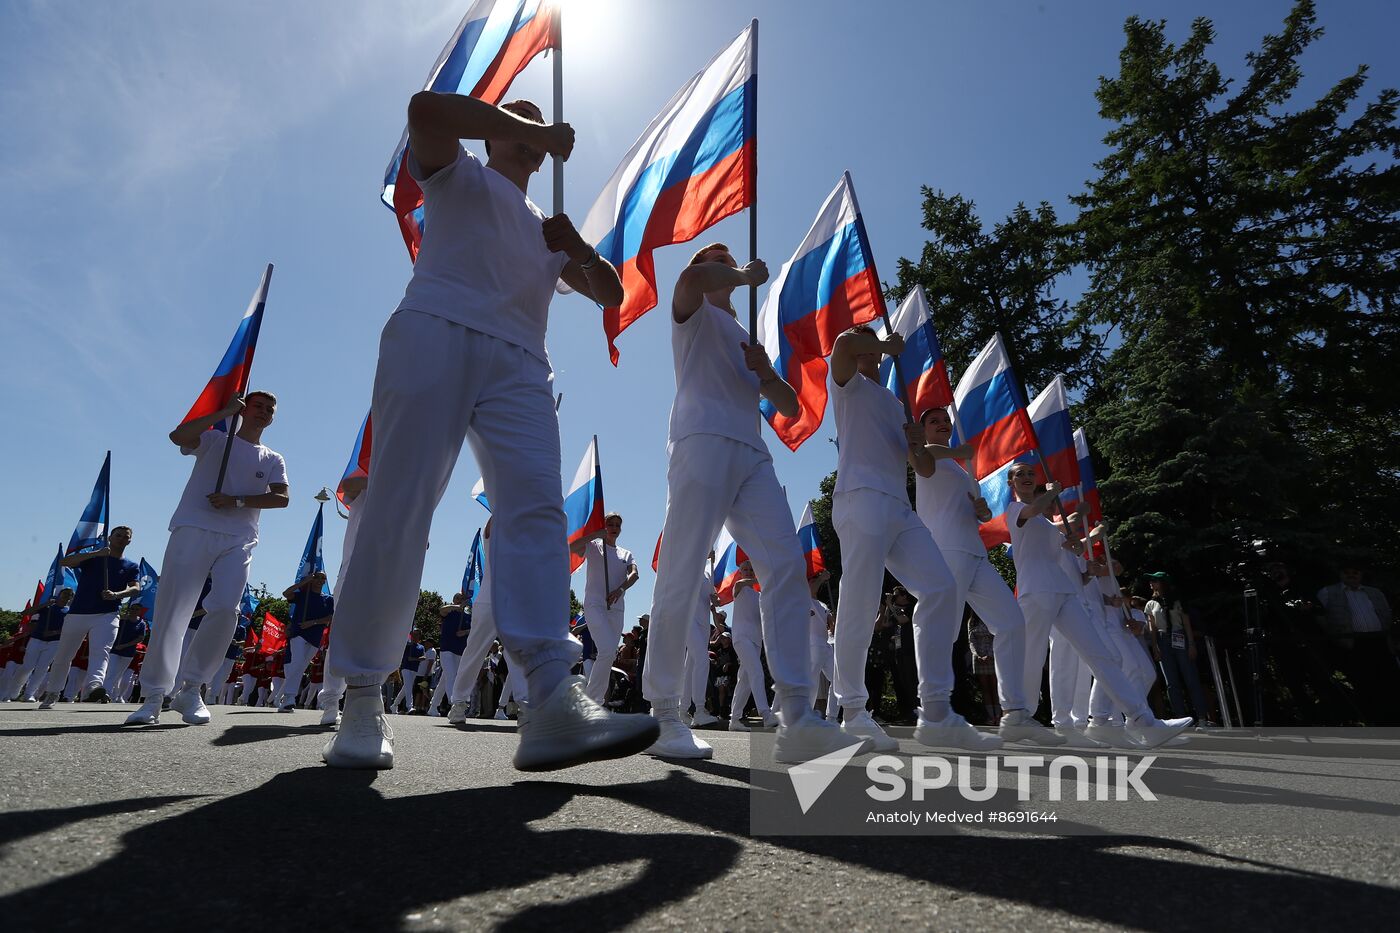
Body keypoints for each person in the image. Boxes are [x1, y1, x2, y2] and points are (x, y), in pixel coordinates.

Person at [322, 89, 656, 772]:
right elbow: (424, 111)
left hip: (522, 359)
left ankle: (550, 697)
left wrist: (578, 247)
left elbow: (612, 292)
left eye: (537, 121)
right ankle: (361, 696)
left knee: (536, 511)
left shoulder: (545, 223)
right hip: (435, 328)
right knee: (400, 504)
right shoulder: (458, 173)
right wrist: (535, 128)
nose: (529, 128)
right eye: (518, 119)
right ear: (493, 134)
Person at [645, 242, 855, 763]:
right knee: (681, 567)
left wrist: (766, 373)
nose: (723, 261)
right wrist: (739, 274)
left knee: (785, 565)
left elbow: (787, 406)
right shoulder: (692, 315)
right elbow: (689, 282)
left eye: (727, 257)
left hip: (753, 455)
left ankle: (797, 715)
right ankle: (664, 712)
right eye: (713, 258)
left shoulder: (744, 335)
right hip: (702, 441)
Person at [125, 392, 289, 725]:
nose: (263, 412)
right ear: (244, 408)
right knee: (174, 608)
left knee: (227, 608)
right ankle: (154, 696)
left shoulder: (273, 458)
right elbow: (178, 437)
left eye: (269, 409)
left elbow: (282, 497)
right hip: (194, 527)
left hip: (240, 537)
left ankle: (191, 688)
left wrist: (236, 500)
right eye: (257, 405)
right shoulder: (215, 440)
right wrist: (224, 411)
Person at [1003, 462, 1191, 748]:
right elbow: (1034, 510)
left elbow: (1072, 545)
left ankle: (1143, 720)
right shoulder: (1015, 510)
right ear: (1011, 484)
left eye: (1030, 473)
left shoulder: (1047, 524)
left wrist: (1078, 544)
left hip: (1064, 592)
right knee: (1032, 656)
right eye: (1020, 474)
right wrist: (1053, 495)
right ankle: (1020, 716)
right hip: (1036, 591)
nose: (1027, 477)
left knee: (1100, 654)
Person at [915, 407, 1063, 745]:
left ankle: (1015, 714)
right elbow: (924, 456)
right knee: (942, 628)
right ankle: (933, 712)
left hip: (975, 553)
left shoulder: (962, 469)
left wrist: (980, 511)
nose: (943, 424)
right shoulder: (927, 456)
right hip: (946, 550)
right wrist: (959, 451)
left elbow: (974, 512)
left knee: (1011, 622)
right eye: (934, 421)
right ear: (923, 431)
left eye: (945, 420)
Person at [38, 526, 141, 707]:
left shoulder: (131, 566)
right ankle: (53, 691)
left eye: (125, 537)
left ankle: (94, 686)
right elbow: (65, 562)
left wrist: (117, 595)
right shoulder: (93, 558)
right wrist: (96, 553)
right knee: (64, 655)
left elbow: (136, 588)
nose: (121, 539)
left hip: (108, 614)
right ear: (110, 537)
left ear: (129, 541)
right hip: (78, 613)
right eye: (118, 535)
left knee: (101, 651)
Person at [1315, 565, 1396, 722]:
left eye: (1355, 572)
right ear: (1340, 574)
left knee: (1389, 680)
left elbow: (1386, 613)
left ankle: (1393, 718)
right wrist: (1336, 637)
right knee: (1364, 683)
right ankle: (1373, 720)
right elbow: (1320, 617)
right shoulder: (1327, 592)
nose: (1351, 575)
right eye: (1347, 572)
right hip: (1353, 643)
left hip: (1380, 641)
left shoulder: (1375, 592)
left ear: (1361, 574)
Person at [579, 513, 639, 704]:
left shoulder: (625, 553)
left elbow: (634, 574)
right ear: (603, 526)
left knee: (609, 655)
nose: (614, 528)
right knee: (606, 650)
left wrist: (620, 589)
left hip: (616, 609)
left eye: (617, 525)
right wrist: (593, 535)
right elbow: (570, 547)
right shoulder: (593, 546)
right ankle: (592, 702)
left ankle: (594, 701)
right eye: (610, 524)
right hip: (594, 605)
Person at [1143, 572, 1211, 723]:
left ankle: (1201, 717)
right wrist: (1155, 647)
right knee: (1171, 682)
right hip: (1162, 640)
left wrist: (1191, 644)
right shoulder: (1151, 604)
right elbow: (1152, 627)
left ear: (1163, 583)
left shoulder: (1178, 600)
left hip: (1179, 636)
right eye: (1151, 580)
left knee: (1191, 678)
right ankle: (1181, 718)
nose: (1151, 583)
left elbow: (1186, 623)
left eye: (1155, 580)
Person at [726, 564, 777, 732]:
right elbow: (742, 583)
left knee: (745, 681)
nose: (748, 572)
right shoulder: (738, 587)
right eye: (745, 570)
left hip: (756, 641)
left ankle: (734, 719)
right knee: (757, 672)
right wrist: (762, 578)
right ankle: (765, 714)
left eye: (751, 569)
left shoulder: (760, 596)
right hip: (741, 638)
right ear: (740, 572)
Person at [278, 571, 333, 711]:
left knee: (301, 667)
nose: (319, 580)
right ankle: (290, 697)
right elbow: (286, 593)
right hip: (299, 633)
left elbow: (330, 617)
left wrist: (313, 622)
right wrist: (304, 582)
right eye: (316, 577)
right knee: (297, 662)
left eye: (323, 578)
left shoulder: (328, 599)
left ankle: (284, 699)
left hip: (315, 637)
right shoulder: (303, 595)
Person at [10, 589, 73, 701]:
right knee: (27, 667)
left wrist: (54, 632)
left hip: (54, 642)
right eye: (64, 594)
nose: (66, 597)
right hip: (37, 639)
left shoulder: (70, 612)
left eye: (69, 595)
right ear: (59, 595)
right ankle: (14, 690)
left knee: (42, 668)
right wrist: (45, 604)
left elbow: (70, 629)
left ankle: (29, 694)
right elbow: (25, 613)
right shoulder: (48, 607)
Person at [428, 592, 471, 716]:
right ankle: (454, 703)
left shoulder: (467, 616)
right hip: (446, 649)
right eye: (457, 598)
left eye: (461, 598)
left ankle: (433, 706)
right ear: (453, 600)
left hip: (459, 651)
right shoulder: (449, 612)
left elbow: (474, 628)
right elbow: (441, 610)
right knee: (451, 675)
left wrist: (465, 632)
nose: (459, 600)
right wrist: (457, 607)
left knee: (445, 679)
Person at [103, 603, 149, 702]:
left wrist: (124, 645)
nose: (134, 611)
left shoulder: (141, 623)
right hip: (115, 650)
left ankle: (114, 695)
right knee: (111, 671)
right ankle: (106, 693)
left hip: (128, 653)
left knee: (118, 674)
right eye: (132, 608)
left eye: (136, 609)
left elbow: (140, 638)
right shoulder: (122, 620)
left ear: (140, 611)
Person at [392, 630, 426, 714]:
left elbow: (424, 657)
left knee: (406, 688)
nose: (414, 636)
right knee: (409, 687)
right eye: (413, 634)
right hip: (406, 668)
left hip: (414, 669)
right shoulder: (406, 645)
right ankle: (409, 706)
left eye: (416, 635)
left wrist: (414, 659)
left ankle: (394, 705)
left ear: (419, 636)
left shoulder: (421, 647)